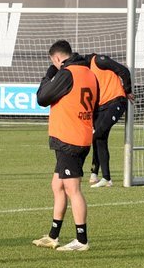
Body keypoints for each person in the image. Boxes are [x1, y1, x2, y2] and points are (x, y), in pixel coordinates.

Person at [33, 40, 100, 252]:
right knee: (58, 185)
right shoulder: (89, 73)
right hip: (80, 135)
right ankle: (53, 236)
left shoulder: (67, 73)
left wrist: (48, 75)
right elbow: (95, 105)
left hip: (69, 138)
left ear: (56, 58)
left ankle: (81, 240)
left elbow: (42, 97)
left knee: (72, 189)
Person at [82, 51, 134, 188]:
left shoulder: (99, 60)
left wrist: (127, 90)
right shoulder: (86, 72)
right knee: (99, 138)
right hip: (101, 107)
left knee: (98, 133)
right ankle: (104, 177)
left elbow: (124, 71)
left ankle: (91, 171)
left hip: (116, 101)